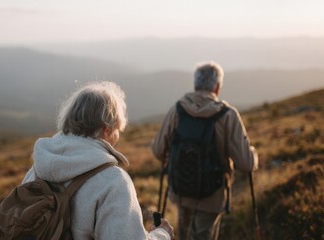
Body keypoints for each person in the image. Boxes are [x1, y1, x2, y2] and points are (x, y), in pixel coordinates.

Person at [22, 81, 174, 240]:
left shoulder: (39, 167)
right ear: (106, 130)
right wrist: (162, 234)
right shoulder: (112, 182)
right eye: (117, 131)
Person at [152, 62, 258, 240]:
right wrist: (253, 154)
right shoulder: (228, 116)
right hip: (212, 195)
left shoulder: (178, 110)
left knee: (182, 233)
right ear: (217, 87)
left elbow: (157, 150)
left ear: (195, 85)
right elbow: (246, 164)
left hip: (181, 189)